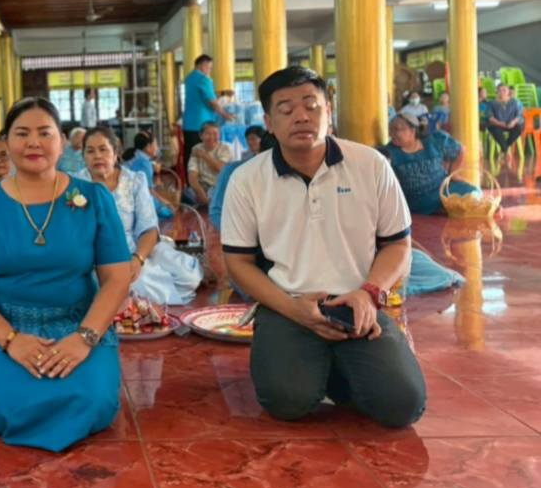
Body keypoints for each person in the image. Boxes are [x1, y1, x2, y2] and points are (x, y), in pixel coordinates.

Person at [222, 66, 425, 428]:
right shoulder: (247, 180)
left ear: (328, 112)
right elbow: (238, 264)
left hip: (356, 303)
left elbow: (398, 245)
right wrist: (294, 310)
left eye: (312, 106)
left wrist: (369, 293)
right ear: (269, 121)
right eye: (286, 110)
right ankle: (310, 361)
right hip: (286, 304)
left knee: (403, 406)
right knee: (287, 402)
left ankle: (332, 363)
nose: (301, 116)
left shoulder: (370, 165)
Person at [0, 98, 131, 451]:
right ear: (6, 142)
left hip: (79, 322)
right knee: (2, 411)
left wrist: (85, 338)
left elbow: (117, 277)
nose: (33, 142)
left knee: (96, 404)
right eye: (22, 133)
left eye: (44, 133)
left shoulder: (93, 197)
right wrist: (11, 340)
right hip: (7, 326)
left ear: (62, 142)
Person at [77, 126, 158, 288]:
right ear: (84, 156)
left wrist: (137, 260)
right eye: (90, 151)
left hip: (128, 257)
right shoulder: (73, 185)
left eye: (103, 150)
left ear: (115, 153)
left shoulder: (135, 180)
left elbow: (149, 229)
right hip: (86, 263)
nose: (97, 156)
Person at [381, 113, 468, 216]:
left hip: (442, 188)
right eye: (390, 129)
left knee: (473, 192)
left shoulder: (434, 141)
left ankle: (444, 207)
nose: (391, 134)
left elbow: (460, 149)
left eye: (396, 129)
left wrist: (453, 174)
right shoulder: (389, 152)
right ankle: (441, 208)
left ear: (412, 131)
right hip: (417, 199)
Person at [181, 54, 231, 172]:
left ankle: (189, 184)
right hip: (202, 124)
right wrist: (226, 115)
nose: (209, 70)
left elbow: (204, 95)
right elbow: (212, 102)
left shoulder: (189, 78)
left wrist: (221, 93)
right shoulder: (203, 79)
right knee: (204, 154)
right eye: (209, 67)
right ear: (202, 65)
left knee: (190, 153)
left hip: (189, 123)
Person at [186, 121, 233, 206]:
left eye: (215, 134)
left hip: (219, 187)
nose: (212, 137)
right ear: (201, 136)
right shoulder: (196, 148)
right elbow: (192, 176)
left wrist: (204, 155)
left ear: (219, 135)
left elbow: (220, 168)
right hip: (202, 187)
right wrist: (200, 194)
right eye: (208, 133)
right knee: (186, 195)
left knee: (220, 197)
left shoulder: (225, 149)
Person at [486, 83, 525, 156]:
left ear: (508, 92)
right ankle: (505, 149)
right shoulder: (491, 103)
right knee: (494, 129)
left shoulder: (515, 102)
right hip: (497, 124)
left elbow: (519, 115)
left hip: (511, 124)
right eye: (499, 90)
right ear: (497, 92)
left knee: (519, 127)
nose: (502, 92)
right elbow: (490, 117)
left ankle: (504, 148)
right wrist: (500, 123)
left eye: (504, 90)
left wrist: (513, 122)